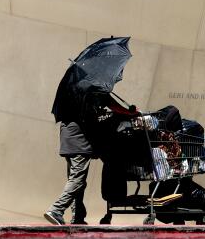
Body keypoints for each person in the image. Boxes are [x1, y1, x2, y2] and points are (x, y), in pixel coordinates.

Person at [45, 81, 139, 225]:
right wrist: (131, 112)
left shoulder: (73, 90)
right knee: (77, 179)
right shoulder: (96, 89)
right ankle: (56, 210)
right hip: (79, 140)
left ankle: (78, 217)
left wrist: (97, 112)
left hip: (68, 139)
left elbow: (84, 113)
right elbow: (115, 107)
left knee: (76, 180)